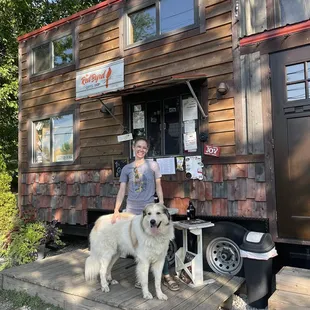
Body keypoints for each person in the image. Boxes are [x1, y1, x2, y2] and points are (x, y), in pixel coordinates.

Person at [111, 137, 179, 291]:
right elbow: (122, 190)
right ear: (133, 147)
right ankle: (142, 278)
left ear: (147, 150)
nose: (141, 150)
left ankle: (166, 275)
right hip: (132, 212)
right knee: (139, 245)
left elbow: (158, 186)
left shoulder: (153, 165)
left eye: (144, 148)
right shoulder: (126, 169)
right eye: (138, 146)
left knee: (159, 243)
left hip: (149, 212)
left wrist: (161, 204)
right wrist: (116, 210)